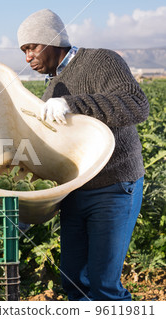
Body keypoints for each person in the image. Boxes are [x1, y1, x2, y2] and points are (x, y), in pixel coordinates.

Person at [17, 9, 150, 301]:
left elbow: (136, 105)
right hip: (76, 194)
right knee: (75, 280)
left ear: (53, 40)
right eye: (24, 50)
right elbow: (49, 152)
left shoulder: (101, 61)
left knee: (104, 285)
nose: (27, 57)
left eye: (32, 46)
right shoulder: (51, 89)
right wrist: (26, 208)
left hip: (114, 187)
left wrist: (73, 104)